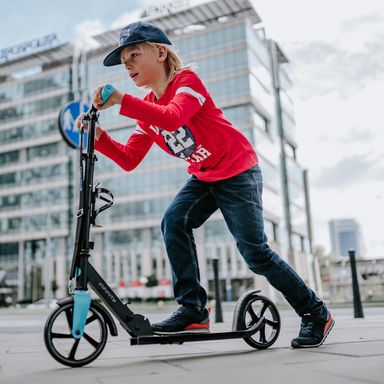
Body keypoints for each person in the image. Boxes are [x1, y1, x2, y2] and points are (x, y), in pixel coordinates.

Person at [76, 21, 334, 348]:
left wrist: (121, 101)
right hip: (205, 175)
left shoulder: (187, 82)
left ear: (160, 52)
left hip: (239, 171)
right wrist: (99, 138)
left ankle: (315, 312)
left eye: (133, 55)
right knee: (174, 220)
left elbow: (173, 117)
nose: (127, 65)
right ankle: (193, 310)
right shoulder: (145, 114)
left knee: (255, 254)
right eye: (123, 62)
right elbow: (129, 159)